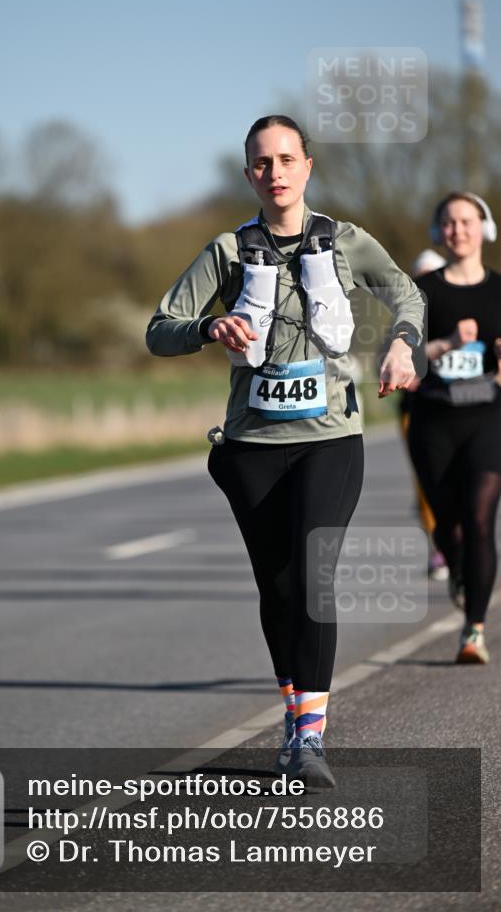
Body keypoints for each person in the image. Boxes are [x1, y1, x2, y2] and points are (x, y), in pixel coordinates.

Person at [146, 115, 424, 788]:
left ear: (307, 166)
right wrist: (210, 326)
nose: (274, 172)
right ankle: (295, 719)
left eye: (286, 159)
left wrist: (402, 343)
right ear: (249, 174)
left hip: (330, 439)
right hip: (252, 446)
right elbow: (158, 330)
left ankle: (309, 737)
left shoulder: (345, 241)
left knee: (312, 578)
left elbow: (406, 293)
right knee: (276, 588)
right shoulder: (227, 251)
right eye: (261, 163)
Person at [407, 192, 501, 664]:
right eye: (449, 222)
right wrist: (445, 343)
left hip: (488, 417)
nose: (458, 230)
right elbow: (399, 357)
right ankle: (458, 566)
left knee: (481, 520)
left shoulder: (499, 289)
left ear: (483, 228)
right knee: (448, 525)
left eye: (466, 221)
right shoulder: (422, 292)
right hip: (433, 420)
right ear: (437, 231)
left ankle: (474, 630)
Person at [400, 250, 449, 582]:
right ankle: (439, 548)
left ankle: (465, 542)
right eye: (421, 278)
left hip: (458, 411)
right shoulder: (405, 318)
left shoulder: (460, 315)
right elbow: (383, 360)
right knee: (425, 484)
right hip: (416, 413)